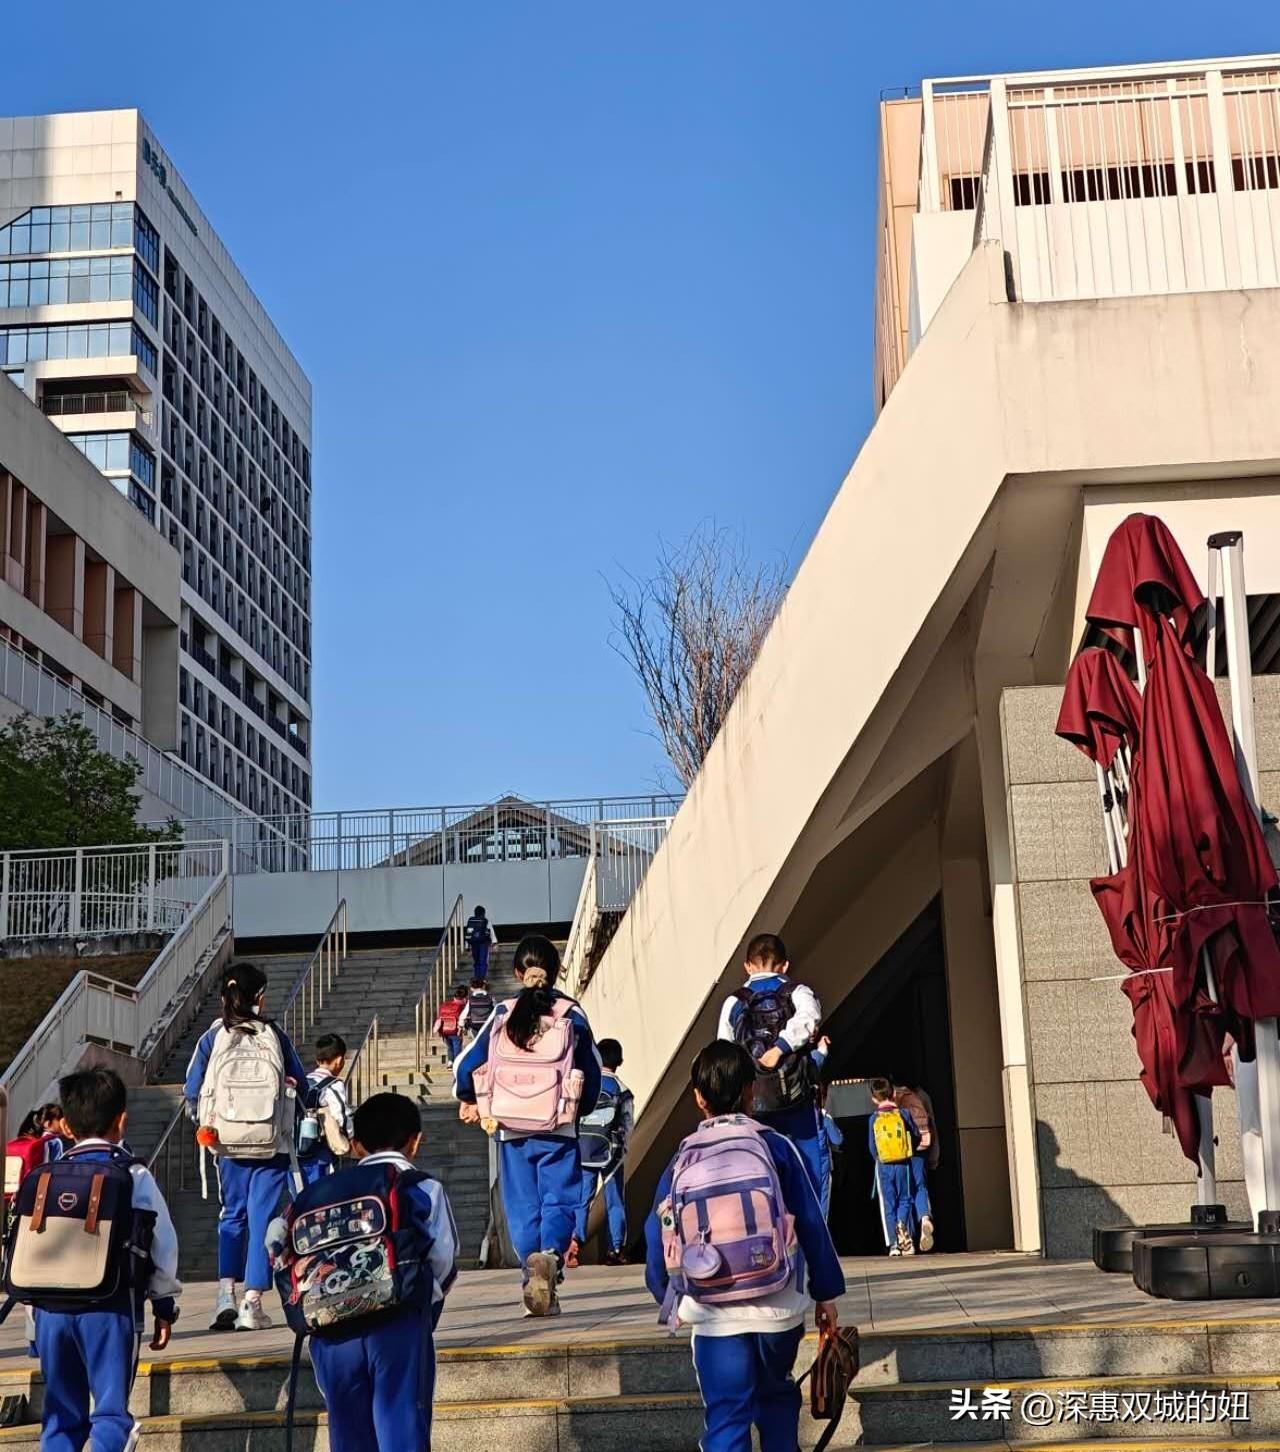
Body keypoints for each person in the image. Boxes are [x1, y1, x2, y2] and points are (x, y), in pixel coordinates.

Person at [645, 1041, 845, 1452]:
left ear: (699, 1097)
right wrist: (826, 1294)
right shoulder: (777, 1146)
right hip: (778, 1304)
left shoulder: (682, 1158)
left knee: (726, 1415)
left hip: (712, 1310)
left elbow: (657, 1229)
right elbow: (810, 1221)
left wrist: (666, 1295)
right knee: (776, 1398)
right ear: (752, 1089)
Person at [273, 1093, 459, 1452]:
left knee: (348, 1431)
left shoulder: (313, 1194)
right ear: (415, 1141)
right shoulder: (422, 1187)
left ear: (356, 1146)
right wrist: (423, 1307)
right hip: (398, 1324)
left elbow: (280, 1248)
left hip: (331, 1329)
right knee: (401, 1422)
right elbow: (444, 1261)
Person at [29, 1068, 180, 1452]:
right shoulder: (133, 1174)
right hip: (111, 1307)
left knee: (60, 1415)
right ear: (122, 1120)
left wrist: (34, 1324)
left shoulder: (44, 1177)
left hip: (49, 1310)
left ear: (65, 1125)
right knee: (111, 1413)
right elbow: (162, 1244)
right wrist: (163, 1303)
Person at [454, 934, 601, 1316]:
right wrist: (578, 1108)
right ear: (555, 972)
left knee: (522, 1206)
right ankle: (550, 1255)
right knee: (558, 1199)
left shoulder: (503, 1012)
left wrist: (468, 1097)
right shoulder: (571, 1013)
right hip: (558, 1125)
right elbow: (594, 1071)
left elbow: (464, 1067)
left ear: (518, 972)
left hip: (512, 1128)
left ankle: (530, 1273)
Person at [183, 960, 313, 1332]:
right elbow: (301, 1085)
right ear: (258, 997)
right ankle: (252, 1302)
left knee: (232, 1215)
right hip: (270, 1144)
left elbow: (192, 1090)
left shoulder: (212, 1036)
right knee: (263, 1218)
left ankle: (225, 1292)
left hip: (226, 1144)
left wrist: (209, 1123)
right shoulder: (274, 1034)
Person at [717, 933, 829, 1212]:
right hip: (796, 1098)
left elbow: (723, 1052)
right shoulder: (798, 991)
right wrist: (780, 1048)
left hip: (753, 1105)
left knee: (759, 1174)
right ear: (785, 965)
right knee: (809, 1177)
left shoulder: (733, 1002)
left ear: (747, 966)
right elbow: (809, 1018)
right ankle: (807, 1240)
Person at [570, 1037, 634, 1266]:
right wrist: (624, 1148)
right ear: (620, 1061)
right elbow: (628, 1124)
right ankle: (615, 1249)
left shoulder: (587, 1084)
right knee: (615, 1200)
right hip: (611, 1153)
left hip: (585, 1149)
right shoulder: (622, 1089)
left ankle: (574, 1243)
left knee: (582, 1199)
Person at [869, 1077, 920, 1256]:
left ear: (874, 1099)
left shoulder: (874, 1118)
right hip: (903, 1164)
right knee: (905, 1199)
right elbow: (915, 1135)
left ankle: (893, 1245)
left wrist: (880, 1157)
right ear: (894, 1093)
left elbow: (871, 1146)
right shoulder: (904, 1114)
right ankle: (902, 1224)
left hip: (884, 1166)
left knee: (888, 1205)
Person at [299, 1032, 354, 1186]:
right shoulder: (333, 1084)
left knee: (301, 1198)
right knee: (320, 1198)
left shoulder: (304, 1081)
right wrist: (350, 1136)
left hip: (296, 1151)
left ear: (317, 1060)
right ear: (339, 1060)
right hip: (319, 1152)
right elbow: (341, 1116)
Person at [893, 1078, 938, 1253]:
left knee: (903, 1194)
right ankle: (925, 1219)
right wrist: (934, 1155)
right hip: (920, 1150)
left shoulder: (894, 1098)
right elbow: (930, 1127)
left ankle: (905, 1236)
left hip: (901, 1153)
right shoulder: (919, 1097)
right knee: (920, 1187)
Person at [432, 984, 470, 1067]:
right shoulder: (461, 1006)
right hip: (455, 1030)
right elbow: (462, 1018)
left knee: (450, 1047)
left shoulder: (446, 1004)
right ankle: (457, 1061)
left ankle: (450, 1061)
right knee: (457, 1046)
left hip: (445, 1030)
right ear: (465, 997)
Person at [465, 904, 496, 981]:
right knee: (483, 960)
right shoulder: (486, 921)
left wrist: (467, 946)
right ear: (483, 913)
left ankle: (476, 976)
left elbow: (468, 933)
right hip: (484, 943)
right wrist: (494, 943)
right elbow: (491, 932)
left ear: (475, 913)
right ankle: (482, 977)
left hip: (474, 943)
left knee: (476, 961)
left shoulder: (471, 921)